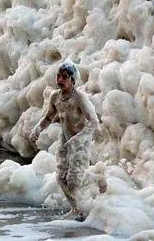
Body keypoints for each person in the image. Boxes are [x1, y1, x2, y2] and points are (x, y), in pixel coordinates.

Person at [29, 61, 100, 221]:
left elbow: (94, 122)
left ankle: (97, 178)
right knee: (61, 178)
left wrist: (78, 139)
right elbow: (49, 117)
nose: (60, 79)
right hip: (65, 141)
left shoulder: (80, 98)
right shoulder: (55, 97)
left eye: (65, 77)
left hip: (81, 142)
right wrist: (38, 128)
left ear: (73, 80)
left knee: (74, 179)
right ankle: (76, 209)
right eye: (58, 76)